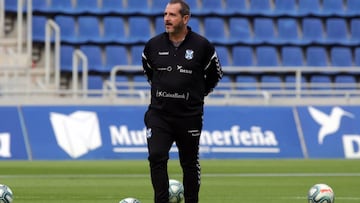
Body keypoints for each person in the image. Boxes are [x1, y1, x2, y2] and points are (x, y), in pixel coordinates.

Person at [142, 0, 223, 202]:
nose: (167, 19)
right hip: (159, 114)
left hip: (189, 116)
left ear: (185, 18)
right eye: (165, 14)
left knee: (189, 163)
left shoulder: (202, 46)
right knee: (156, 157)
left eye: (172, 15)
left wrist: (197, 95)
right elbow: (149, 72)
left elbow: (215, 75)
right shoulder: (153, 45)